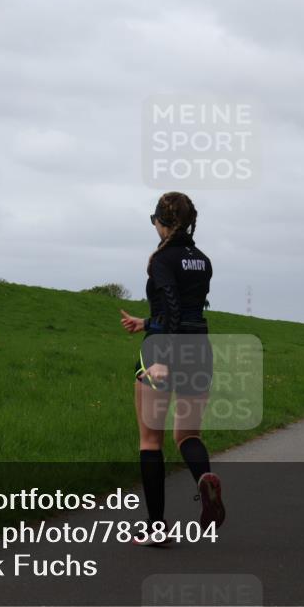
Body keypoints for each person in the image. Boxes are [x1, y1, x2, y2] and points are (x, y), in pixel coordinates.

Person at [119, 192, 225, 546]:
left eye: (154, 221)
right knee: (188, 436)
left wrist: (162, 354)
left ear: (161, 222)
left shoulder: (162, 259)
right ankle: (205, 479)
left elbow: (172, 305)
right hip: (199, 349)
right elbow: (183, 310)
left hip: (163, 352)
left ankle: (157, 527)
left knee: (151, 441)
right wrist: (147, 321)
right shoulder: (202, 260)